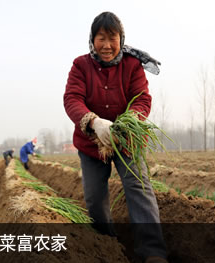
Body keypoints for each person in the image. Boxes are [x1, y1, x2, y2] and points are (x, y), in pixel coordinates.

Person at [63, 12, 167, 263]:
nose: (107, 45)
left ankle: (152, 251)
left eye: (113, 38)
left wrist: (124, 125)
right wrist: (94, 122)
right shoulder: (81, 65)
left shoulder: (132, 65)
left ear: (121, 39)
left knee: (138, 188)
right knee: (95, 198)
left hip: (126, 141)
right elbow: (72, 99)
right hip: (91, 143)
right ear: (92, 39)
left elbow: (142, 99)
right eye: (101, 38)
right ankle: (105, 245)